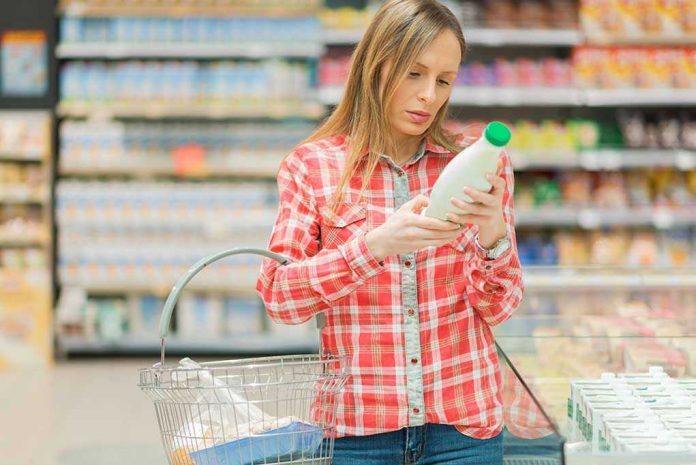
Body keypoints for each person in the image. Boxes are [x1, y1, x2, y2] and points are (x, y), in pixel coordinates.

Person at [256, 1, 524, 463]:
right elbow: (280, 298)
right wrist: (373, 246)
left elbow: (499, 308)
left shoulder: (475, 166)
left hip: (463, 431)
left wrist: (494, 233)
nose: (429, 95)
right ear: (374, 67)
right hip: (357, 435)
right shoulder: (313, 167)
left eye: (444, 80)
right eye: (413, 73)